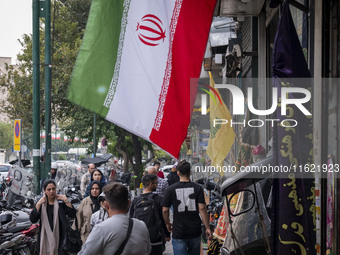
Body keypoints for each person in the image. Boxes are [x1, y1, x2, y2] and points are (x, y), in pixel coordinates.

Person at [78, 182, 151, 255]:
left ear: (106, 205)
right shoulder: (142, 226)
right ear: (129, 203)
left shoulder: (101, 228)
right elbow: (148, 250)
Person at [162, 160, 211, 255]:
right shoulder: (198, 188)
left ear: (178, 173)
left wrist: (167, 223)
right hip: (194, 231)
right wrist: (207, 227)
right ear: (190, 172)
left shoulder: (171, 189)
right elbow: (202, 208)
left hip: (179, 231)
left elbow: (165, 210)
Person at [30, 179, 76, 255]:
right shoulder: (42, 204)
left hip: (61, 238)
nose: (51, 191)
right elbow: (33, 219)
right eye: (49, 189)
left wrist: (66, 200)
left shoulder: (61, 202)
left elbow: (73, 214)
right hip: (44, 238)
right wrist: (38, 204)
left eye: (53, 189)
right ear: (44, 191)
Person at [130, 174, 170, 255]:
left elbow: (130, 219)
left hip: (140, 238)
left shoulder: (135, 200)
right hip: (155, 239)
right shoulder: (158, 199)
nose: (157, 184)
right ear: (151, 184)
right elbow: (161, 218)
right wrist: (167, 233)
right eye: (156, 183)